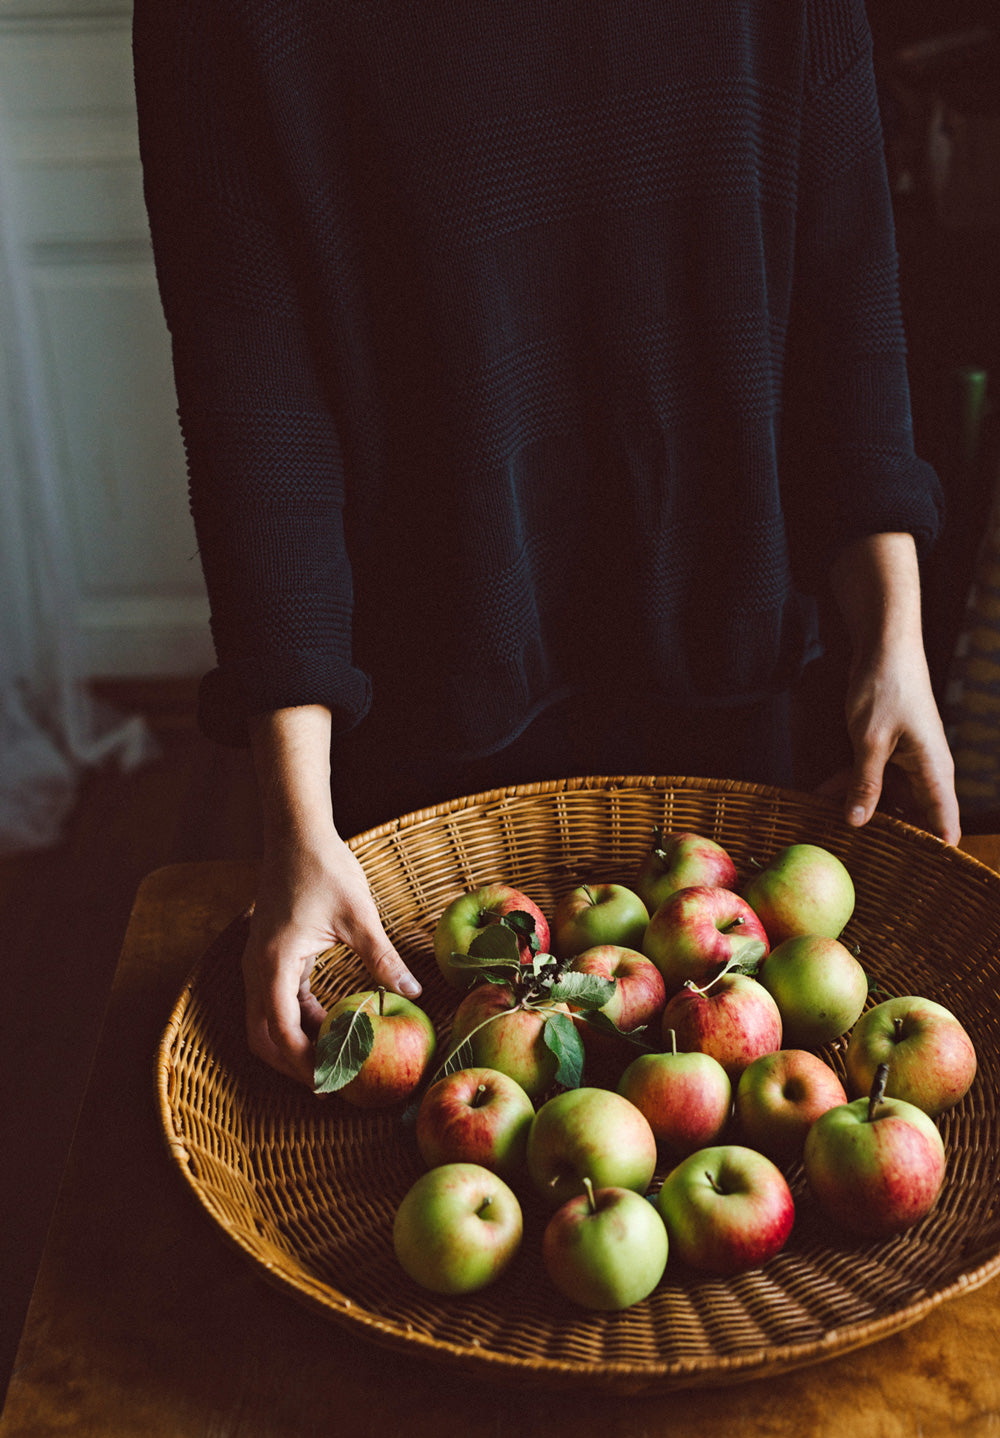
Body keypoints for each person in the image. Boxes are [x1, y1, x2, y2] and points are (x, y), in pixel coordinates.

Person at [133, 0, 961, 1088]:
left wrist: (893, 637)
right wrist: (296, 821)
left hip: (741, 693)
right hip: (415, 730)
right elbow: (254, 405)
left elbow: (846, 283)